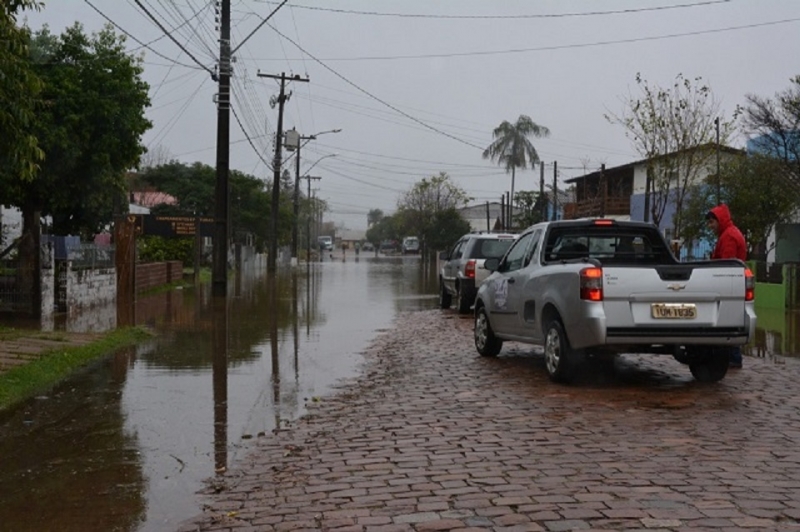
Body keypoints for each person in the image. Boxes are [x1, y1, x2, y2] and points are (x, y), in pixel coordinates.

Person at [705, 204, 747, 369]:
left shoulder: (728, 236)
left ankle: (733, 357)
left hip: (729, 284)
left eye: (711, 223)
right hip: (733, 283)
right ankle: (731, 357)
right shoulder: (729, 233)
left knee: (727, 320)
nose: (710, 227)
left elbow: (726, 264)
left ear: (719, 220)